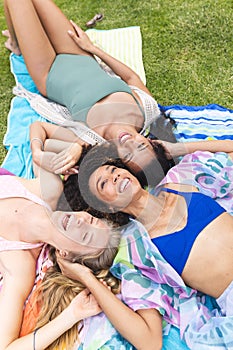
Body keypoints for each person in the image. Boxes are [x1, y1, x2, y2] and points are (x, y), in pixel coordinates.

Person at [3, 0, 176, 173]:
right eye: (141, 147)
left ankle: (17, 45)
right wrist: (93, 49)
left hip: (47, 70)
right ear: (151, 142)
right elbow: (131, 77)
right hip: (78, 53)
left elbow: (38, 128)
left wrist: (37, 152)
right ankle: (16, 41)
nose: (129, 143)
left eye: (128, 155)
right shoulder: (146, 110)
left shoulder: (91, 140)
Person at [73, 141, 233, 303]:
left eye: (113, 169)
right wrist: (84, 276)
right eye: (103, 183)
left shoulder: (180, 179)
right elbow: (145, 327)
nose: (114, 176)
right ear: (108, 208)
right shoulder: (138, 250)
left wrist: (175, 149)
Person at [0, 163, 123, 349]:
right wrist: (70, 152)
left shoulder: (19, 266)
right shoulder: (50, 189)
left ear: (64, 254)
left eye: (85, 235)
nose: (80, 222)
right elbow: (44, 141)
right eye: (90, 219)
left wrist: (72, 314)